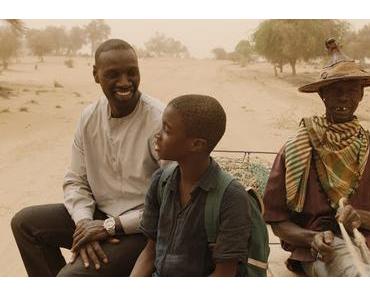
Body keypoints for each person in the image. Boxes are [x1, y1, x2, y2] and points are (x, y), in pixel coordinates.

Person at [11, 39, 164, 276]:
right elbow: (75, 180)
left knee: (70, 277)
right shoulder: (89, 117)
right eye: (113, 74)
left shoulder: (159, 121)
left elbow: (172, 201)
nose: (125, 82)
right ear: (95, 74)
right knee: (25, 223)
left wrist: (109, 227)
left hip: (140, 229)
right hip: (97, 216)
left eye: (132, 73)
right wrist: (84, 223)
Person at [263, 38, 370, 277]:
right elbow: (278, 222)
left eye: (352, 90)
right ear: (322, 95)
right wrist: (313, 238)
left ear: (361, 95)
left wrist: (360, 217)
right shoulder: (297, 148)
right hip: (323, 251)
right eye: (335, 91)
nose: (344, 98)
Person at [130, 94, 260, 277]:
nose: (158, 136)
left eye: (167, 130)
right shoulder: (161, 180)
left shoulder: (231, 197)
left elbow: (224, 274)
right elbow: (150, 252)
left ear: (197, 144)